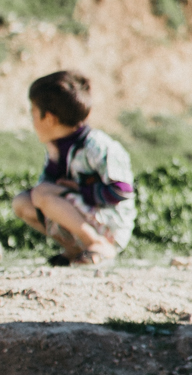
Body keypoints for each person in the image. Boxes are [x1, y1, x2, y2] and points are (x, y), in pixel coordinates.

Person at [14, 70, 135, 267]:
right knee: (23, 202)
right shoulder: (57, 148)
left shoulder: (96, 146)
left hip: (110, 224)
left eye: (33, 113)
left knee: (42, 194)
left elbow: (121, 191)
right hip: (83, 212)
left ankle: (98, 244)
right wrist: (54, 162)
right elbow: (43, 194)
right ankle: (77, 249)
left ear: (50, 118)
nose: (32, 121)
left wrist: (80, 190)